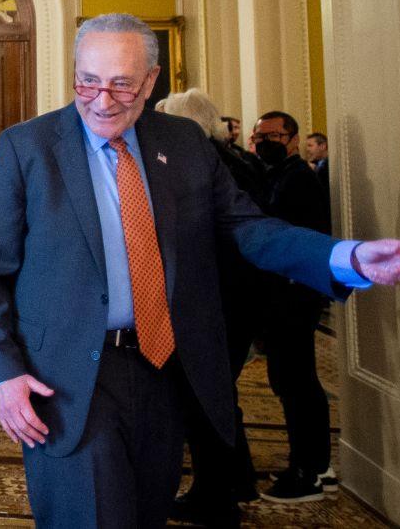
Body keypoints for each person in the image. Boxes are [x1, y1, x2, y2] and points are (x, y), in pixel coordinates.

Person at [0, 13, 400, 528]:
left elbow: (248, 227)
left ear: (151, 81)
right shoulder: (28, 146)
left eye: (123, 85)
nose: (102, 101)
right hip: (65, 376)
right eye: (89, 82)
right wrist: (4, 373)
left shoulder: (185, 143)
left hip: (166, 369)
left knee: (148, 512)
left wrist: (344, 256)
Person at [161, 89, 267, 527]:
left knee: (202, 400)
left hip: (213, 299)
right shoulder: (240, 159)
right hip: (237, 297)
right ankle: (236, 480)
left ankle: (215, 497)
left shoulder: (201, 166)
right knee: (218, 395)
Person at [250, 111, 337, 503]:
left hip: (293, 294)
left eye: (273, 134)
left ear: (292, 137)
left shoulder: (299, 179)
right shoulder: (278, 174)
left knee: (296, 383)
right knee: (294, 382)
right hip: (282, 295)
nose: (264, 140)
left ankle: (307, 472)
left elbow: (302, 236)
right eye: (259, 135)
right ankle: (319, 465)